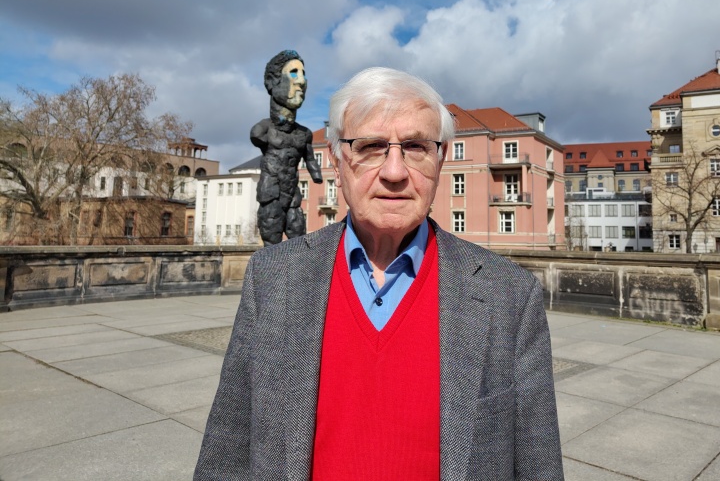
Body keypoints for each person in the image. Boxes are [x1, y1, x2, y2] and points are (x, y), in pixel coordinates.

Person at [195, 67, 563, 480]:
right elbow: (228, 450)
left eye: (416, 146)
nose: (394, 172)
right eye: (370, 146)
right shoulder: (274, 277)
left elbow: (538, 467)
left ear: (440, 159)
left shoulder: (509, 296)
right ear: (336, 160)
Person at [250, 50, 322, 244]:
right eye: (293, 73)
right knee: (271, 238)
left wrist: (317, 174)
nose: (302, 81)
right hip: (270, 193)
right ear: (272, 83)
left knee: (298, 235)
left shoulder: (303, 134)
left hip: (293, 196)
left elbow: (311, 160)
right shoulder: (261, 130)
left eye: (303, 74)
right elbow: (257, 137)